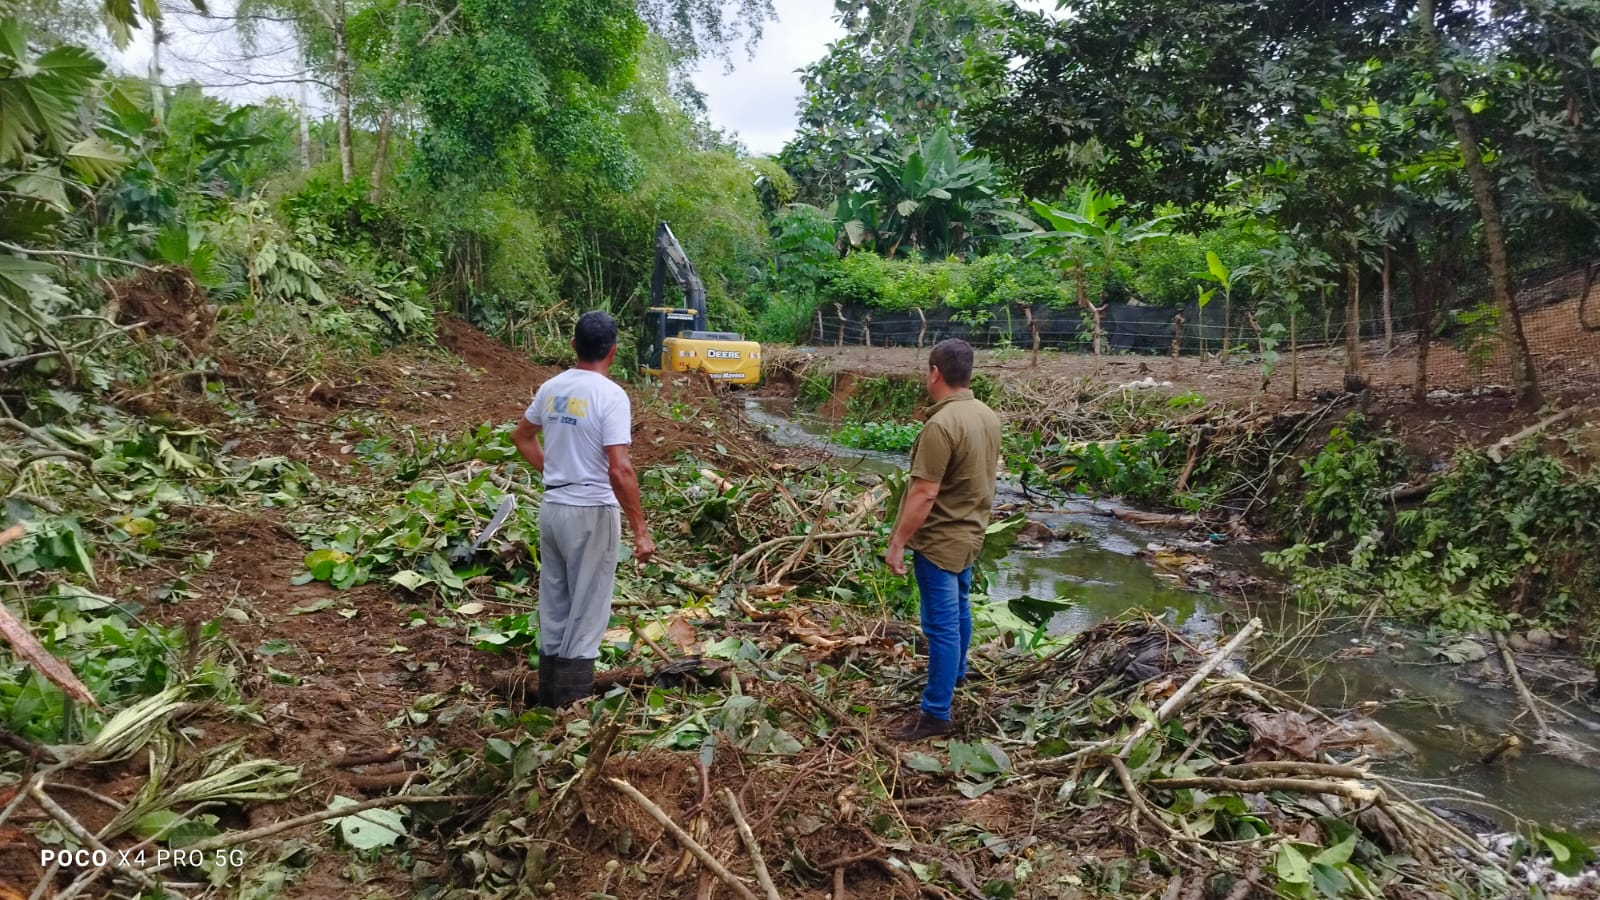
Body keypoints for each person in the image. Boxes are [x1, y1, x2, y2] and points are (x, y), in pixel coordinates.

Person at [510, 311, 655, 707]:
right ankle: (570, 711)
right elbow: (619, 469)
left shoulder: (551, 388)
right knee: (587, 611)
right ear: (613, 351)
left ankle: (549, 702)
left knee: (555, 605)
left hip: (554, 508)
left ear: (574, 345)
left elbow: (522, 437)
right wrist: (641, 531)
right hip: (592, 510)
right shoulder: (611, 396)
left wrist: (556, 473)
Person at [884, 339, 1002, 741]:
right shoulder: (986, 415)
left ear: (935, 372)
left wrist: (898, 542)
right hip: (970, 532)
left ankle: (935, 713)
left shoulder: (941, 425)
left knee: (941, 627)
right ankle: (957, 674)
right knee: (961, 608)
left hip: (939, 541)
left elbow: (924, 494)